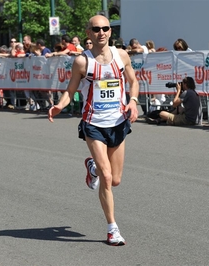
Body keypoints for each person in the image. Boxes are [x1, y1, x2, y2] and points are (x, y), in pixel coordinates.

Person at [48, 15, 139, 246]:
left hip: (118, 122)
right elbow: (70, 90)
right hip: (94, 124)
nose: (101, 32)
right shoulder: (82, 62)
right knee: (107, 177)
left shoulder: (122, 56)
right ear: (88, 33)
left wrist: (134, 101)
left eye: (105, 28)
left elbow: (133, 81)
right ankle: (112, 229)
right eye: (96, 29)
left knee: (115, 179)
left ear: (110, 31)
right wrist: (60, 105)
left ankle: (92, 167)